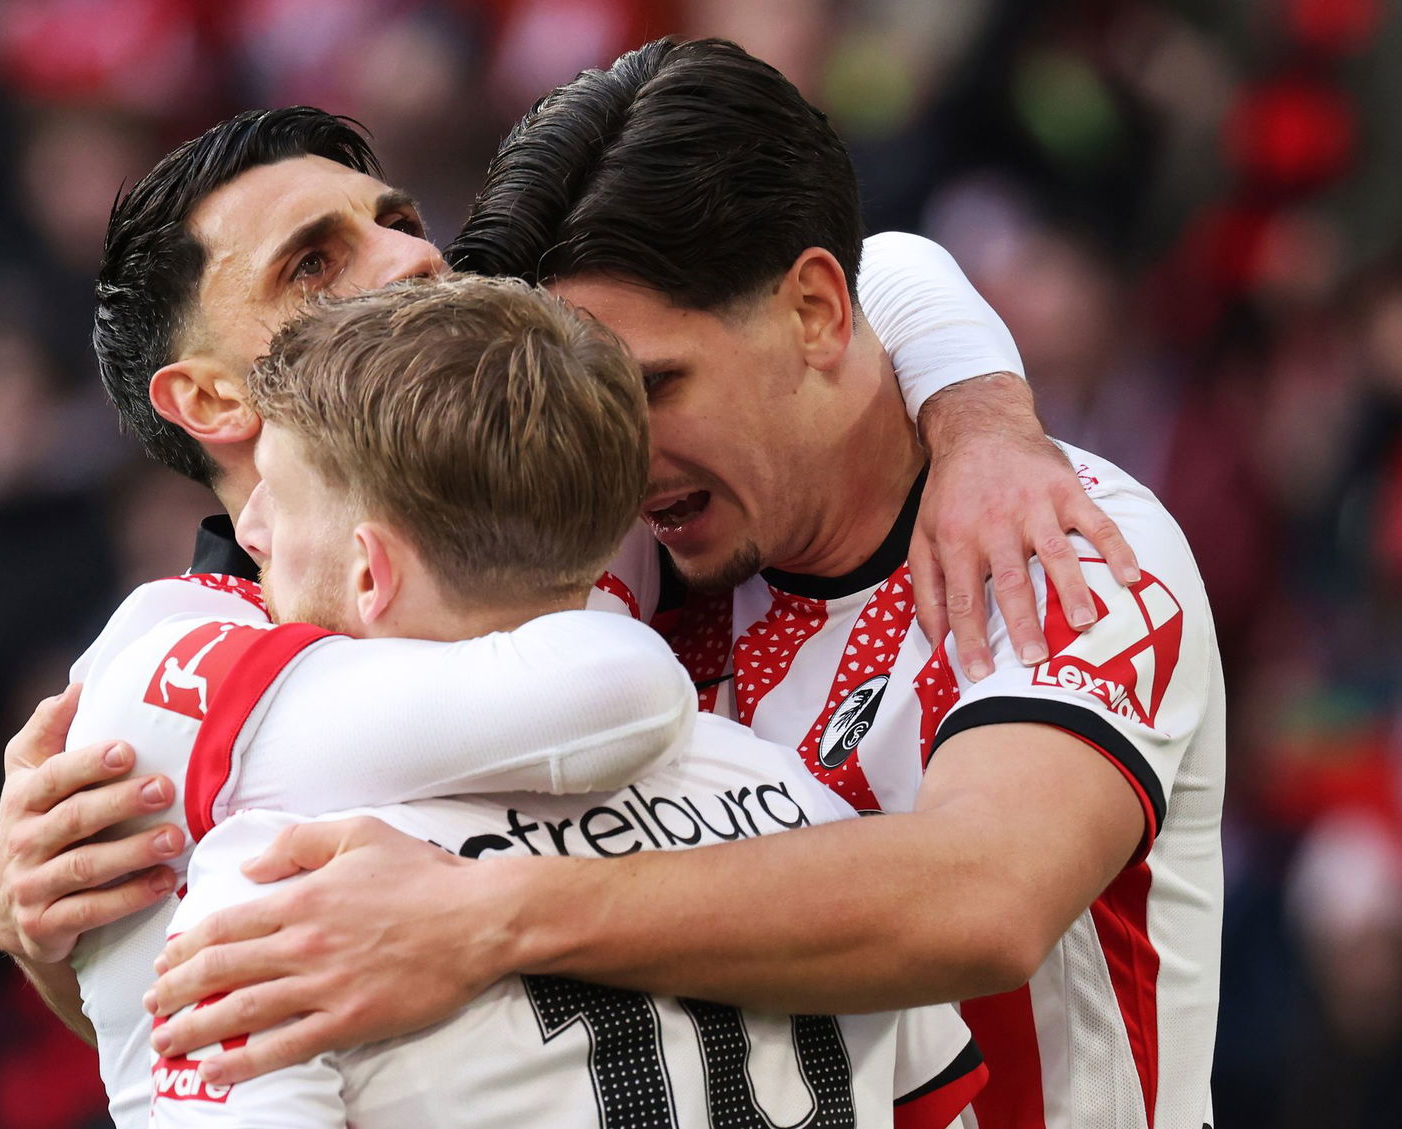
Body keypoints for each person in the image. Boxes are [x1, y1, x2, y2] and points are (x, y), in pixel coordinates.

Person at [142, 41, 1224, 1129]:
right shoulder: (591, 545)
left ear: (814, 312)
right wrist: (63, 925)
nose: (615, 445)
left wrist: (486, 917)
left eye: (655, 385)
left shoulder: (1060, 539)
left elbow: (985, 898)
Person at [142, 275, 987, 1127]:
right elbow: (939, 1107)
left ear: (371, 572)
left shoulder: (284, 877)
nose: (248, 533)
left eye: (278, 501)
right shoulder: (792, 803)